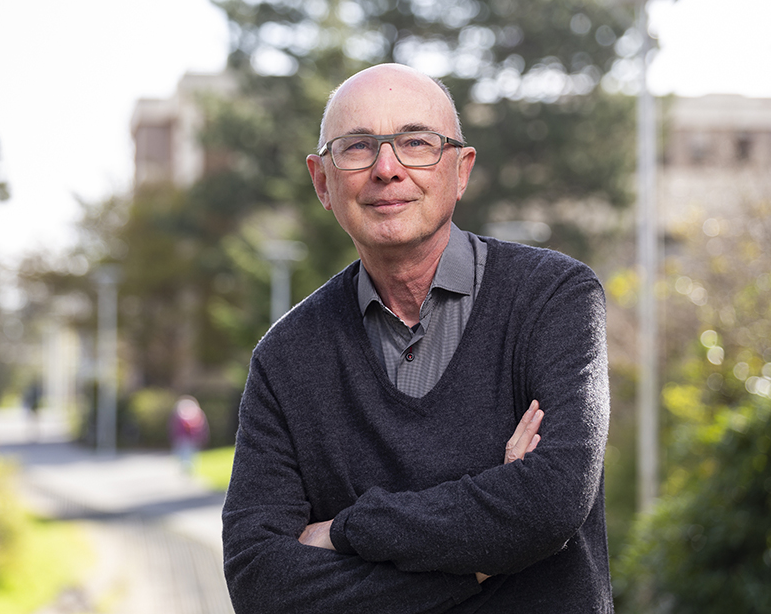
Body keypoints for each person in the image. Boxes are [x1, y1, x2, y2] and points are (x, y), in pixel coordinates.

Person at [222, 64, 612, 612]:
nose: (387, 168)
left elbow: (551, 502)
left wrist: (344, 532)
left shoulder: (552, 298)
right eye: (358, 147)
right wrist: (479, 563)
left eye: (416, 143)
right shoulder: (286, 358)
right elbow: (261, 583)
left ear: (461, 170)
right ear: (321, 181)